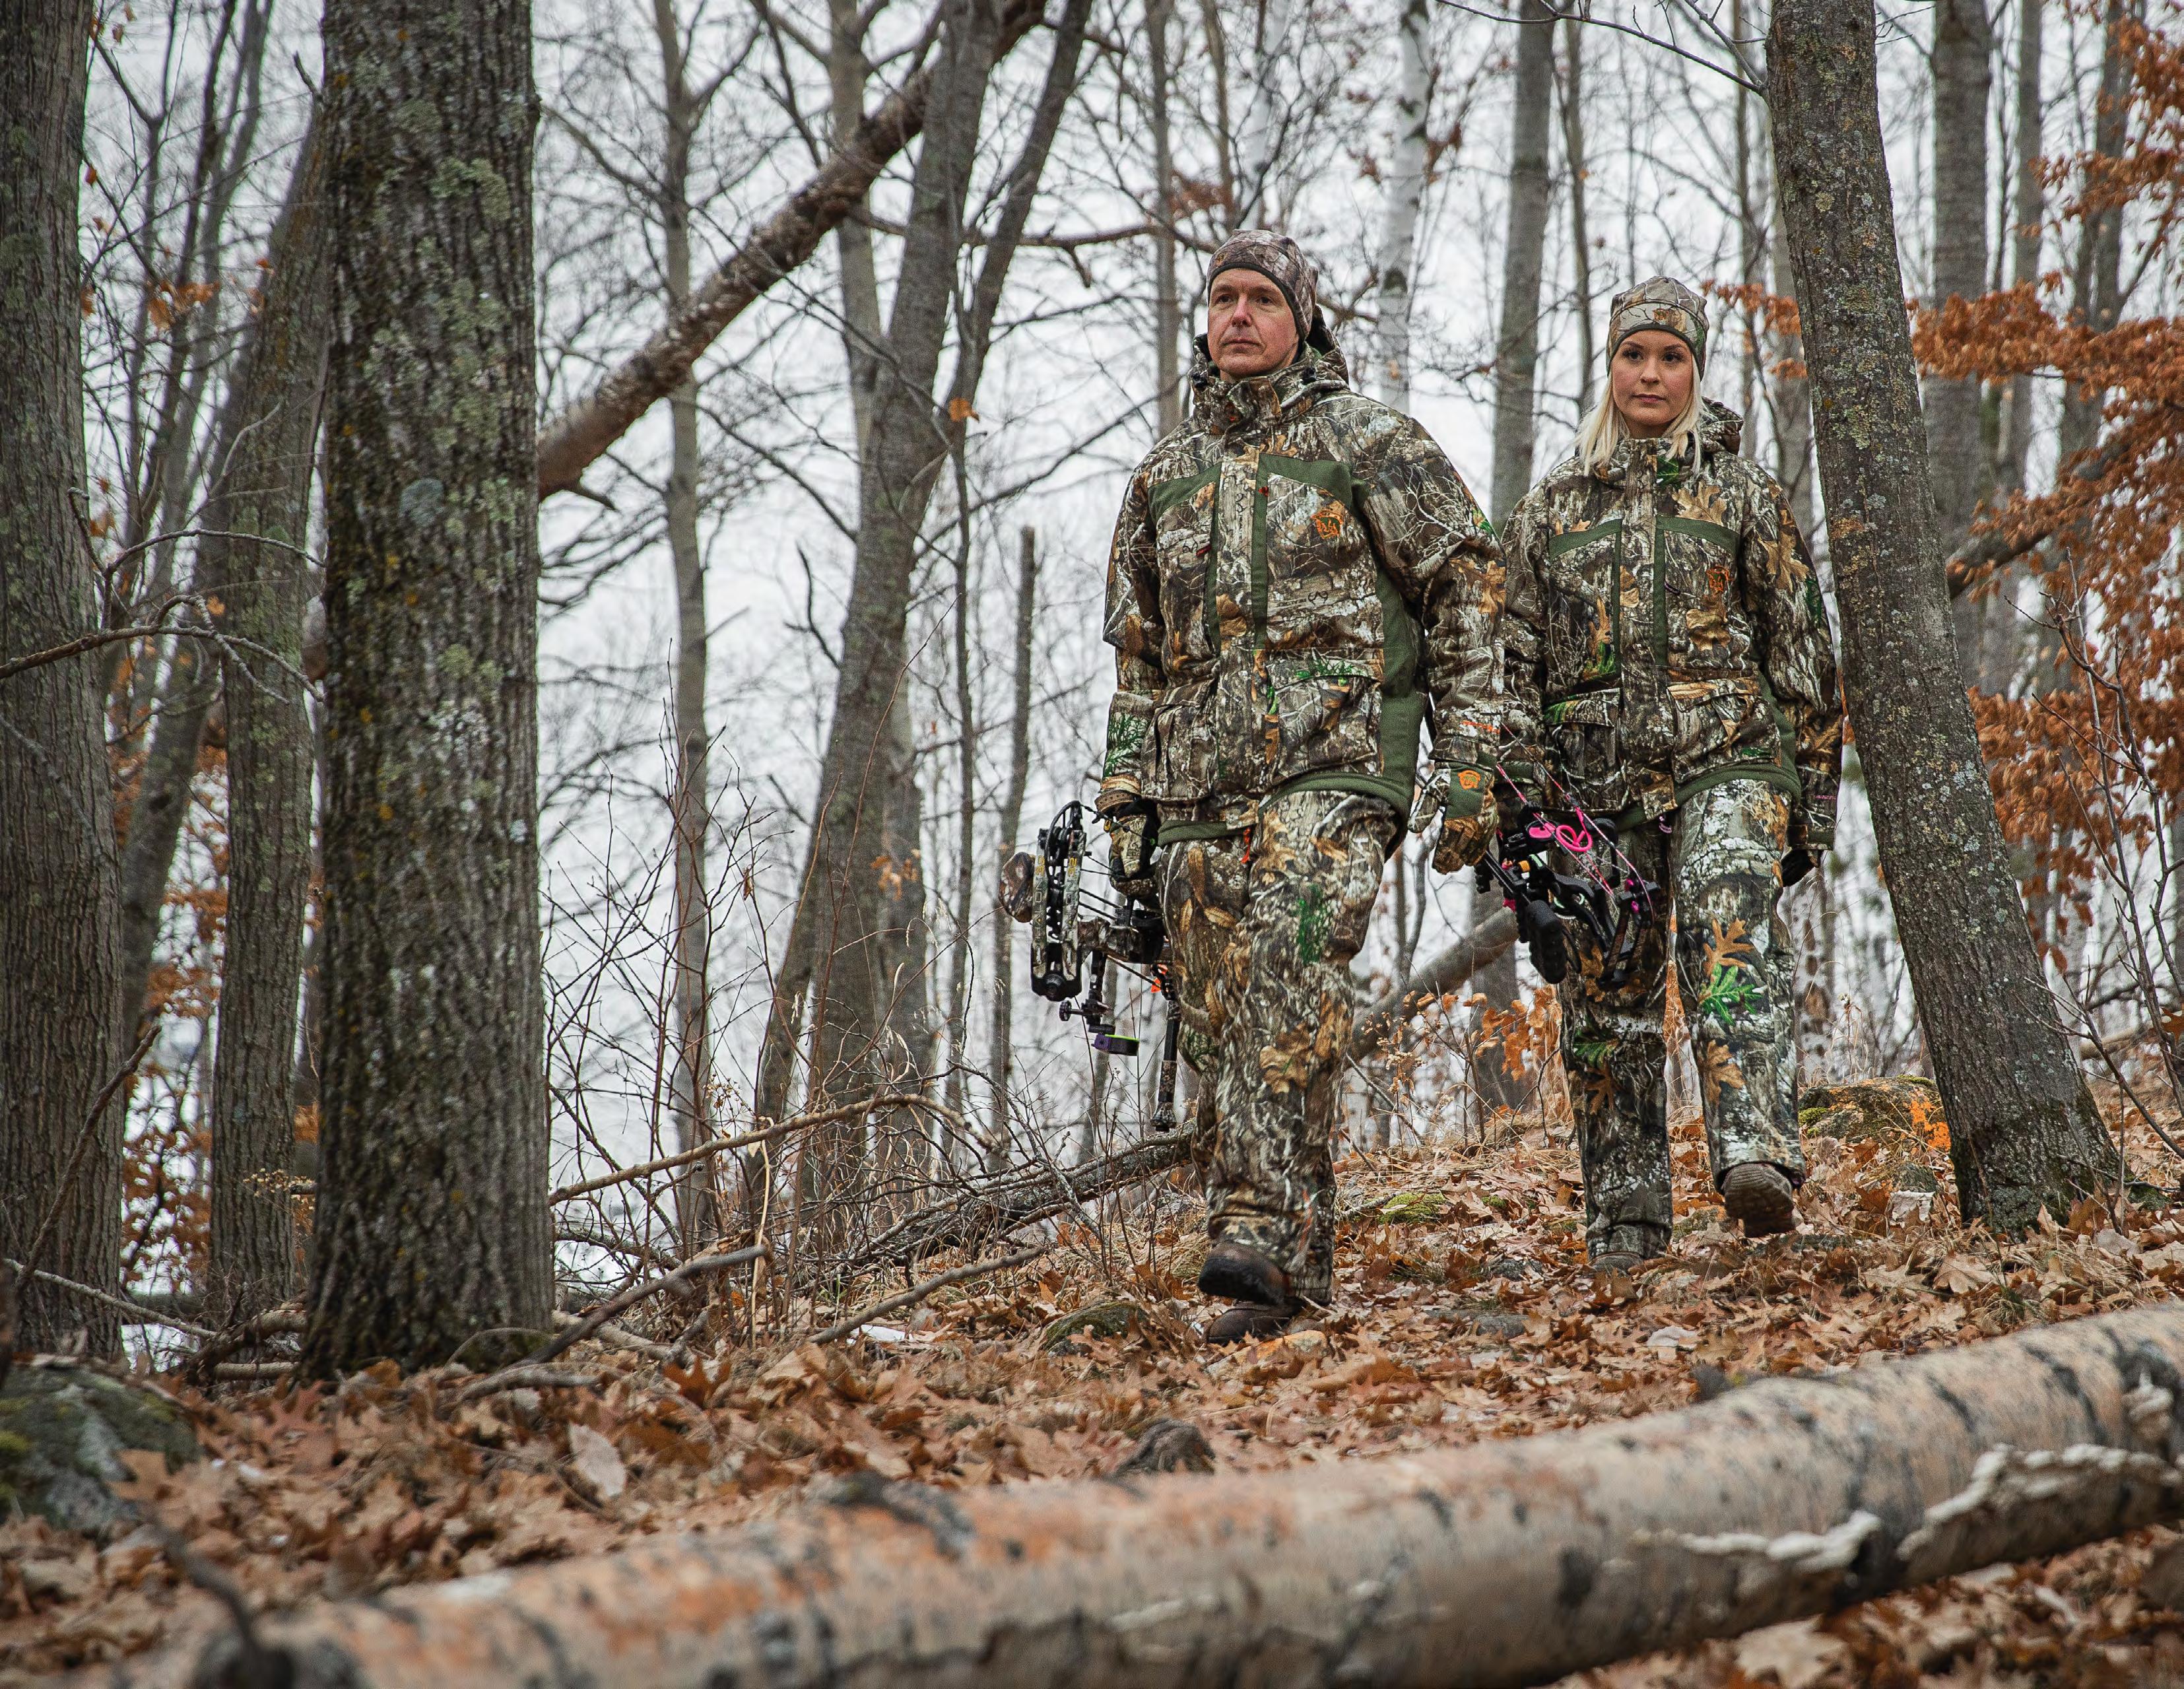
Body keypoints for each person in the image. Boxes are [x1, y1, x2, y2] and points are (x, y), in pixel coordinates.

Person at [1096, 230, 1504, 1344]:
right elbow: (1139, 658)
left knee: (1288, 961)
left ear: (1303, 320)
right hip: (1197, 790)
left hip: (1337, 765)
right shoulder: (1163, 475)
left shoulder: (1371, 442)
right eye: (1221, 298)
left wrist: (1472, 757)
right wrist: (1126, 803)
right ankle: (1287, 1281)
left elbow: (1464, 586)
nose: (1237, 316)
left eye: (1261, 300)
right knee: (1229, 1028)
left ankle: (1249, 1229)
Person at [1500, 277, 1843, 1270]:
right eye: (1633, 355)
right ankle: (1628, 1221)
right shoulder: (1548, 511)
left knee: (1726, 925)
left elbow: (1801, 655)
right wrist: (1526, 820)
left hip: (1726, 761)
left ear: (1695, 372)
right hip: (1592, 793)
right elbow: (1507, 672)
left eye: (1671, 357)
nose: (1650, 374)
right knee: (1605, 999)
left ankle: (1754, 1158)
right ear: (1609, 367)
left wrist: (1811, 811)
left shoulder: (1742, 495)